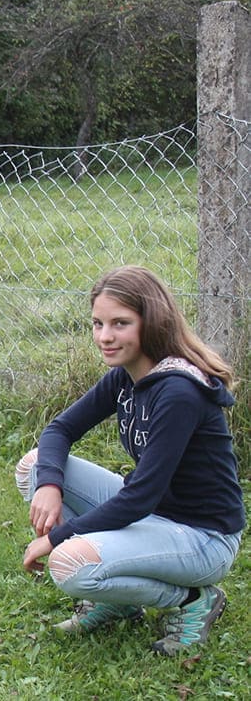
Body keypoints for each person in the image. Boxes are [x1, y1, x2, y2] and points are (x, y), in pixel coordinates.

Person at [17, 265, 244, 656]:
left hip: (202, 538)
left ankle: (192, 599)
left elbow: (138, 498)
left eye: (120, 323)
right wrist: (50, 485)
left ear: (151, 322)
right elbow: (60, 429)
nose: (105, 336)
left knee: (68, 564)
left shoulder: (178, 391)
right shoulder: (128, 374)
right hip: (153, 516)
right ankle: (117, 600)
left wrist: (57, 538)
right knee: (35, 467)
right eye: (98, 323)